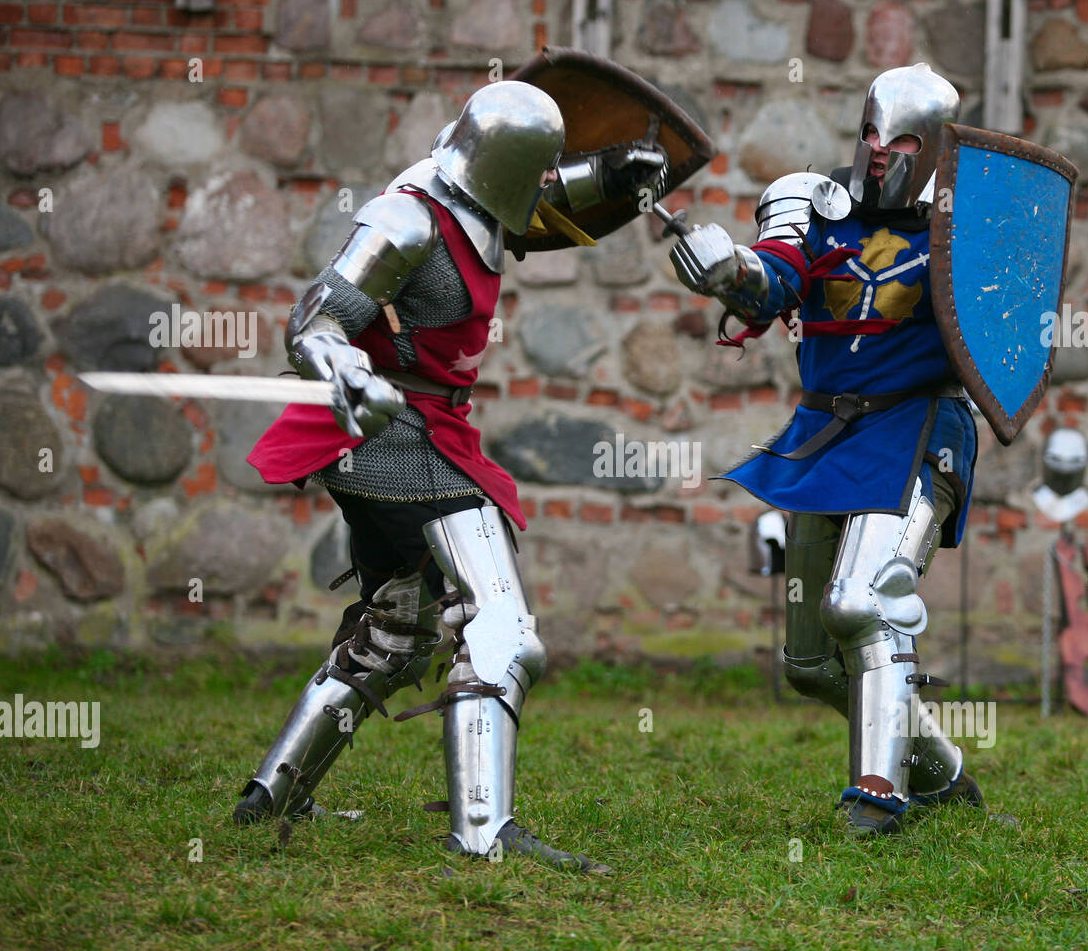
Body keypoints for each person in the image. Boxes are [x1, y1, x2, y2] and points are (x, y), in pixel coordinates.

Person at [234, 80, 663, 869]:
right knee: (502, 630)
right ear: (503, 163)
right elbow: (314, 321)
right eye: (543, 166)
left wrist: (607, 175)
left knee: (399, 631)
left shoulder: (479, 195)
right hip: (397, 436)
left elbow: (537, 198)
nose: (548, 180)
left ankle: (275, 792)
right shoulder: (405, 219)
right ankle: (483, 831)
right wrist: (347, 371)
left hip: (423, 433)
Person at [669, 64, 983, 836]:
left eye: (902, 141)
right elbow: (774, 280)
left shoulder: (965, 225)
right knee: (809, 665)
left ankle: (877, 795)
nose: (879, 150)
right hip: (827, 433)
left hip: (919, 433)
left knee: (863, 603)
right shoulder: (809, 202)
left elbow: (1004, 330)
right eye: (871, 132)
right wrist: (730, 268)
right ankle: (944, 776)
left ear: (936, 148)